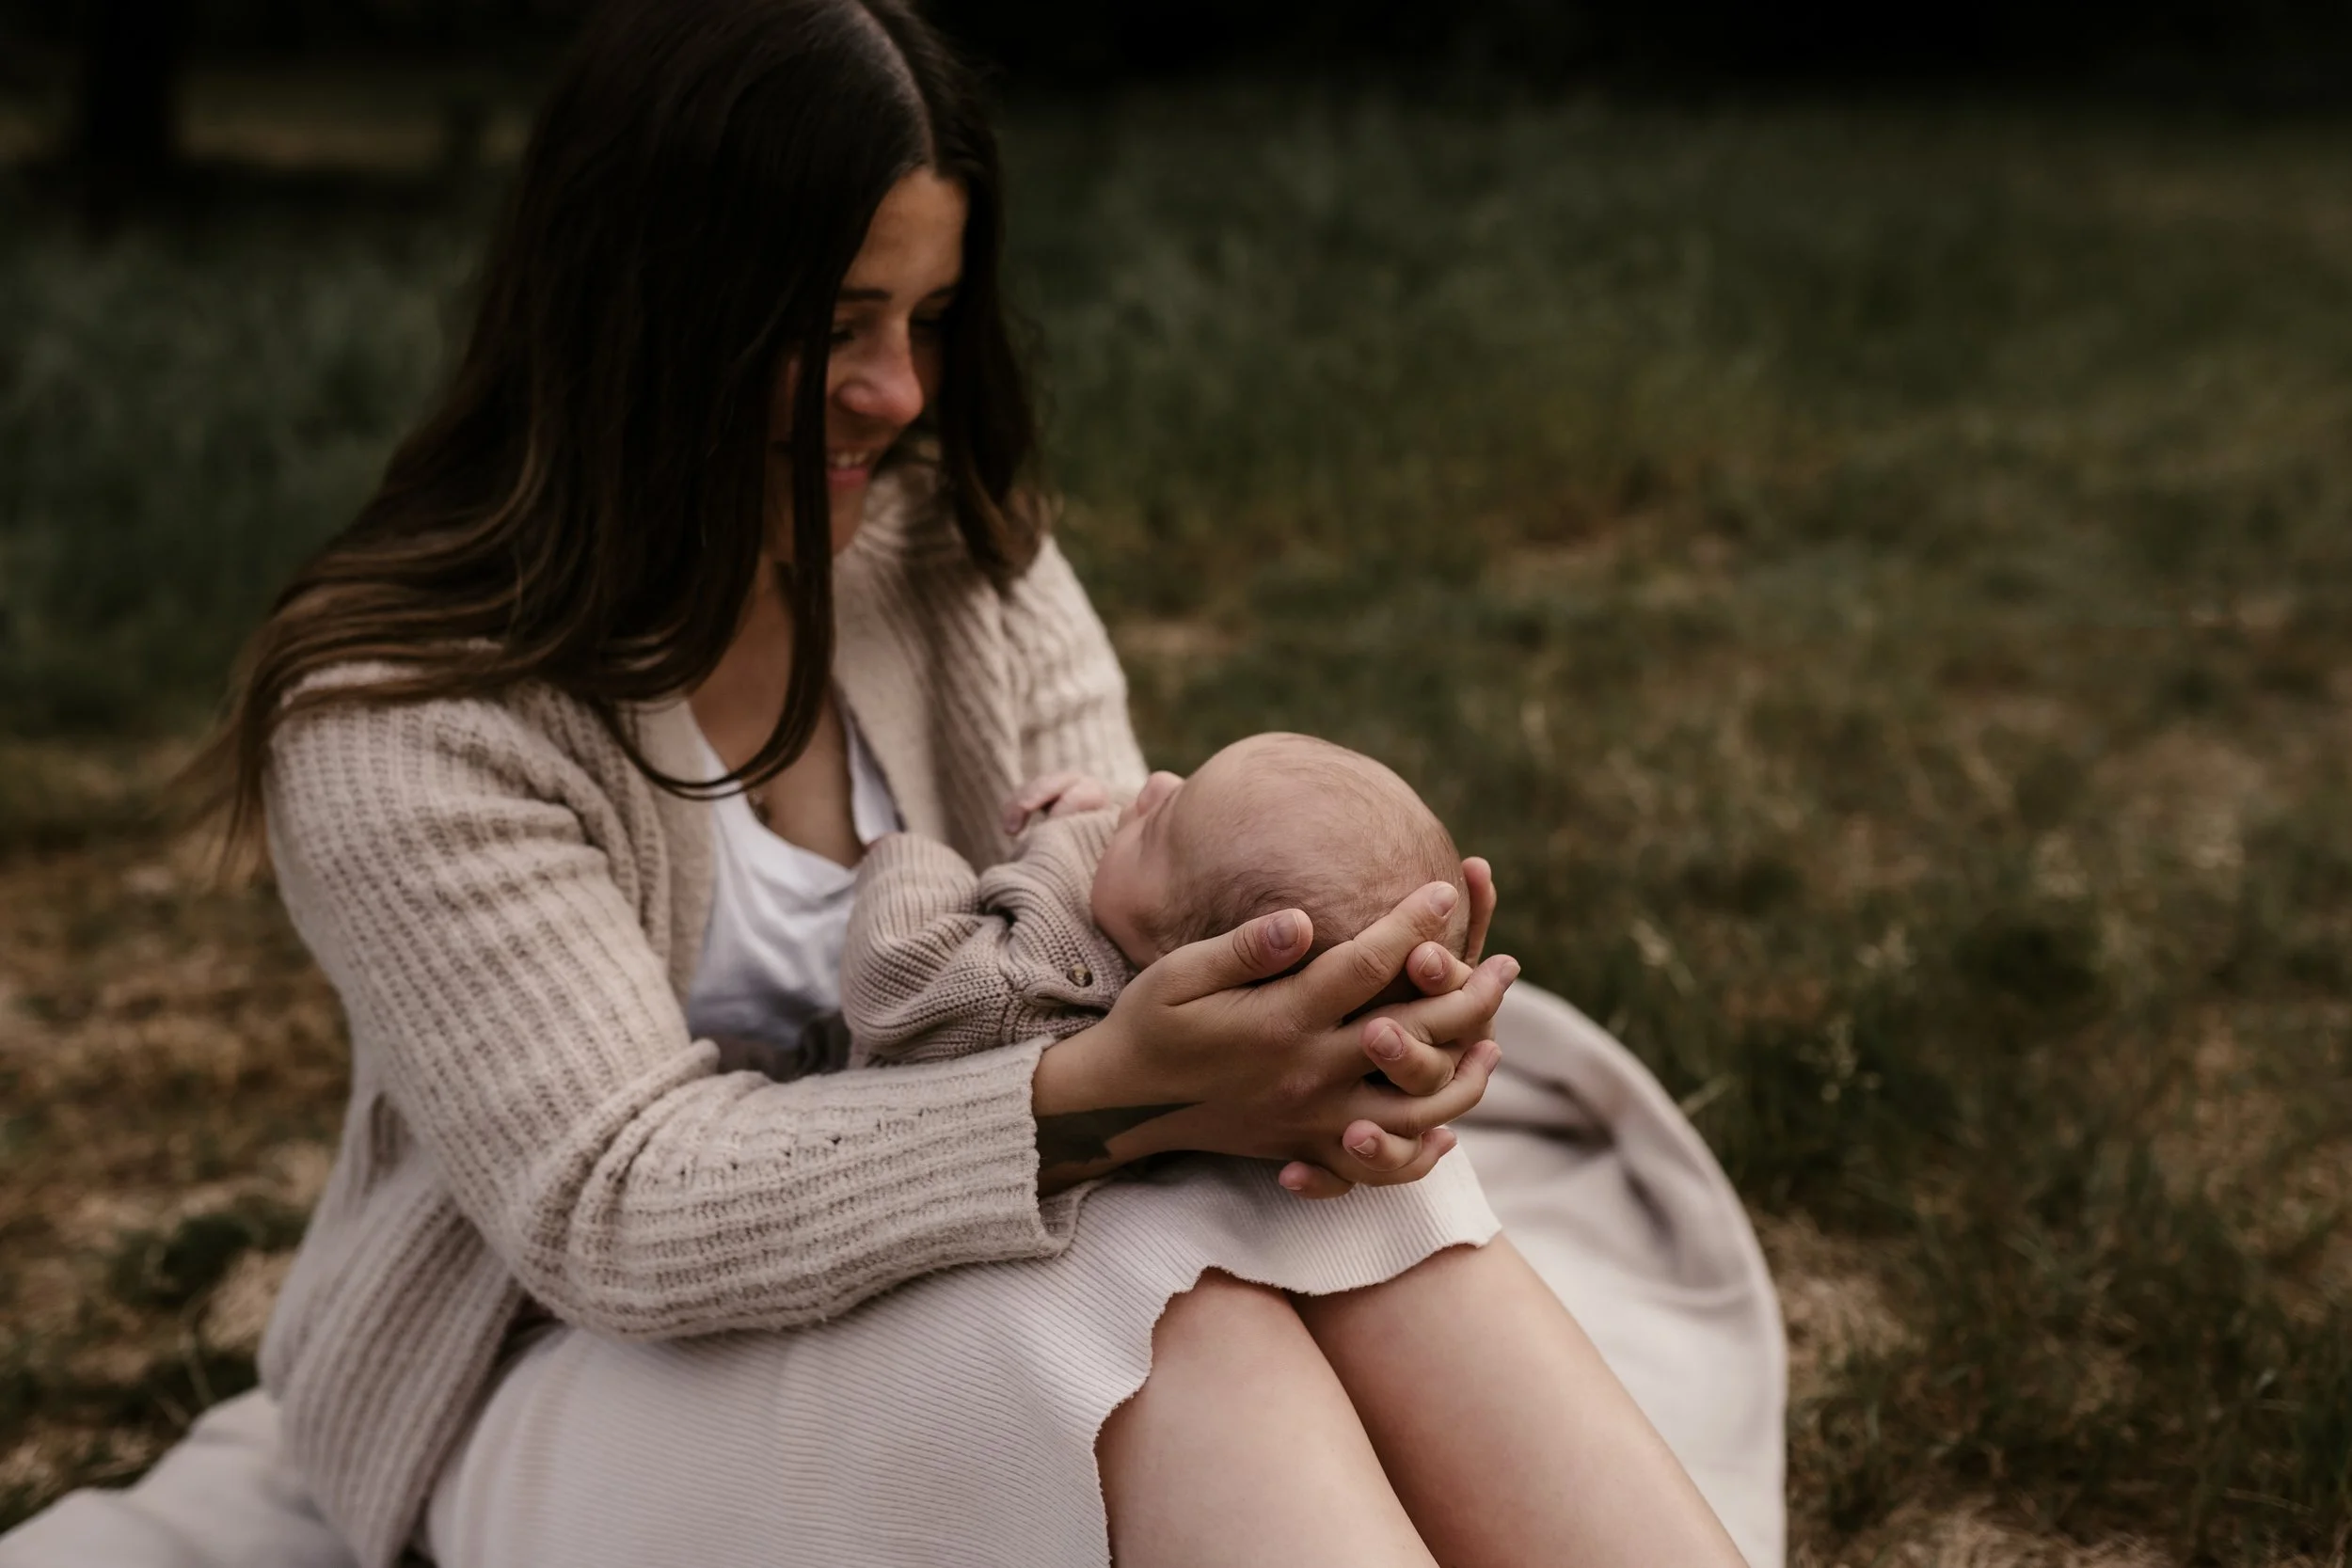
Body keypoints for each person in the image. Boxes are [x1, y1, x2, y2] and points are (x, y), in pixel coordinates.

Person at [0, 3, 1776, 1565]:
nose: (898, 391)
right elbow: (614, 1209)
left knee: (1363, 1209)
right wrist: (1096, 1101)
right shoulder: (402, 711)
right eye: (838, 323)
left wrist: (1338, 1042)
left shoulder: (959, 557)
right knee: (1164, 1315)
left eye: (928, 314)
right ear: (647, 312)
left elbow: (1121, 909)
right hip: (564, 1374)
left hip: (950, 1269)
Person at [841, 733, 1476, 1079]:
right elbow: (1176, 876)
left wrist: (908, 858)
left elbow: (893, 975)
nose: (1152, 785)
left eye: (1157, 823)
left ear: (1187, 962)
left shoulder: (1032, 986)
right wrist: (1092, 819)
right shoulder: (1140, 922)